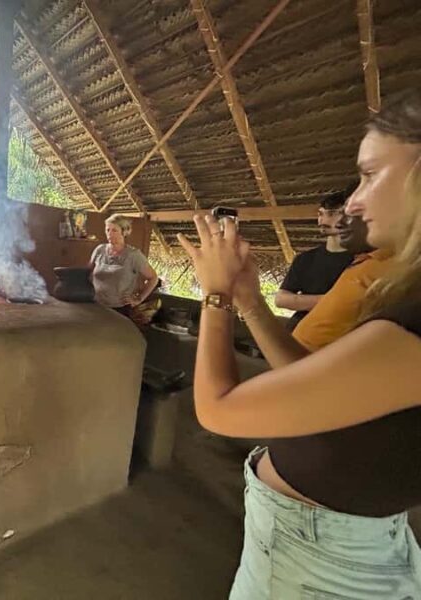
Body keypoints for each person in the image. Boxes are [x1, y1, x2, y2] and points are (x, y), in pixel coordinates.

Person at [176, 88, 421, 599]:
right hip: (328, 544)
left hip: (322, 563)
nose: (353, 200)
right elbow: (317, 384)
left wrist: (215, 295)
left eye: (370, 174)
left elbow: (217, 410)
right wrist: (248, 301)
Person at [292, 210, 393, 351]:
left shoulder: (392, 270)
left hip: (305, 361)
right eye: (319, 214)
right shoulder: (365, 261)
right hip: (295, 344)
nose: (340, 224)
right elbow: (281, 300)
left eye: (353, 214)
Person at [276, 191, 354, 330]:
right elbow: (281, 299)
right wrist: (330, 301)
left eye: (330, 214)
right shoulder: (306, 259)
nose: (321, 220)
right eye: (320, 214)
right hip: (299, 330)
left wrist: (303, 301)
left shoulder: (363, 259)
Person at [89, 214, 160, 327]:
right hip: (97, 306)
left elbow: (153, 278)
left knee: (113, 342)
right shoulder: (99, 250)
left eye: (114, 230)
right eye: (107, 230)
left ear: (124, 232)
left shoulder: (133, 255)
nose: (110, 234)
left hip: (119, 309)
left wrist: (139, 299)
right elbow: (88, 273)